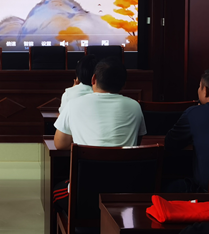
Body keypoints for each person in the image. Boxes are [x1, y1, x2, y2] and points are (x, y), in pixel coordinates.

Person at [53, 57, 146, 213]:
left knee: (56, 193)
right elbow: (136, 142)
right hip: (125, 191)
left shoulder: (73, 104)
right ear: (124, 84)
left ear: (93, 79)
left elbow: (60, 144)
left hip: (85, 194)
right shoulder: (135, 106)